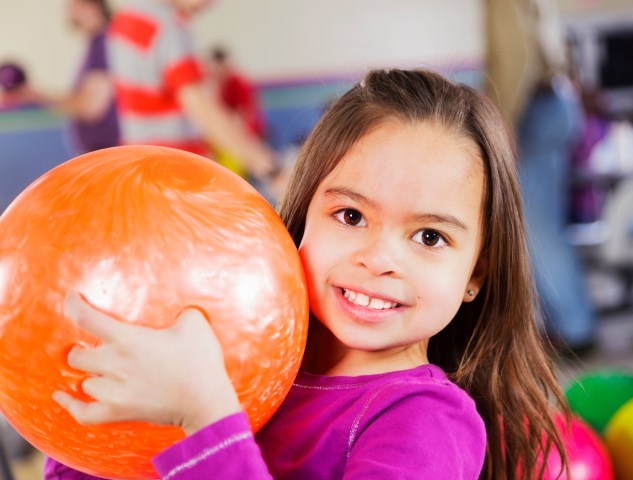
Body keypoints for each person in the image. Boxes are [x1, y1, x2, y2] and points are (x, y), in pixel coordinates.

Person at [44, 69, 569, 479]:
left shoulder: (425, 422)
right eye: (351, 216)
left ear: (477, 272)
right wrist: (84, 419)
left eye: (430, 237)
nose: (379, 258)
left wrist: (205, 419)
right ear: (301, 219)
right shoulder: (237, 363)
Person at [485, 0, 597, 353]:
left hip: (534, 110)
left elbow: (517, 54)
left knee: (539, 229)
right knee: (535, 230)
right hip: (549, 105)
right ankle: (560, 327)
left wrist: (504, 116)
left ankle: (577, 329)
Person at [107, 0, 276, 180]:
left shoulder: (124, 20)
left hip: (138, 161)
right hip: (176, 164)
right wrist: (269, 168)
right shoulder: (169, 27)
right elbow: (200, 107)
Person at [27, 0, 120, 154]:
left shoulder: (103, 42)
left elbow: (91, 106)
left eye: (72, 6)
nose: (67, 12)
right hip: (101, 151)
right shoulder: (96, 43)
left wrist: (36, 96)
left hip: (108, 151)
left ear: (91, 7)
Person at [208, 45, 267, 139]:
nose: (215, 72)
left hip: (250, 133)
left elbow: (244, 113)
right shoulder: (217, 85)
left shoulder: (238, 82)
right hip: (233, 130)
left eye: (220, 67)